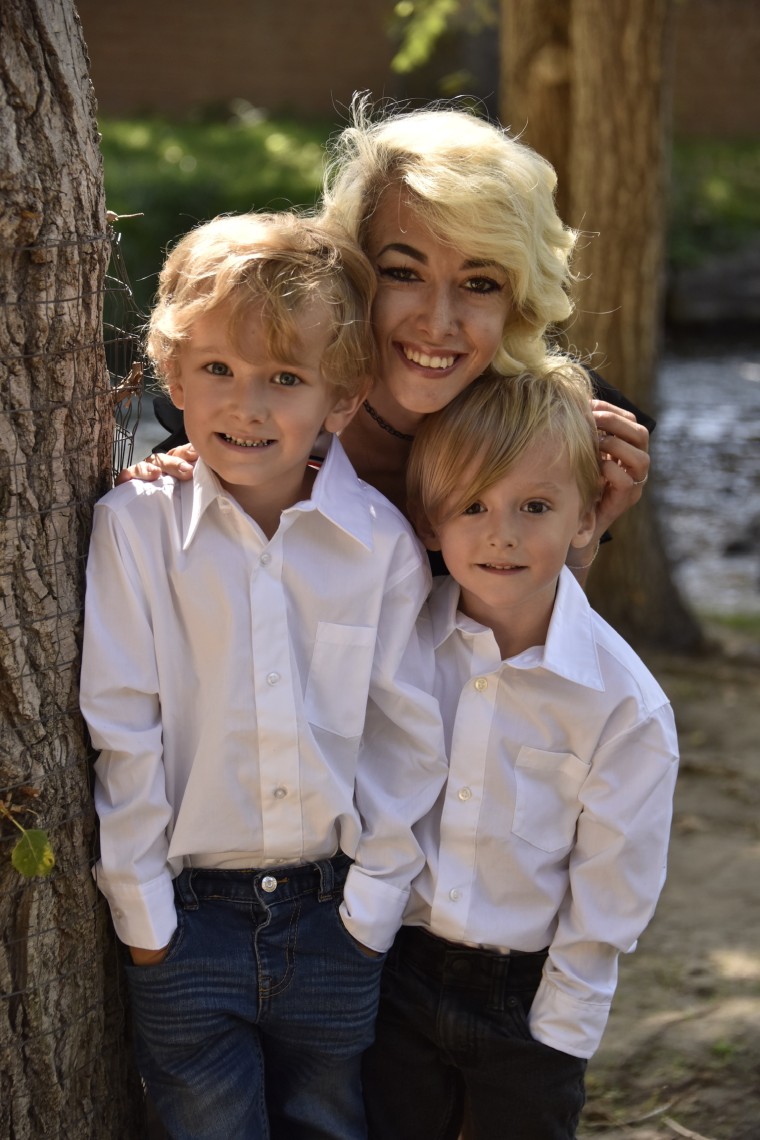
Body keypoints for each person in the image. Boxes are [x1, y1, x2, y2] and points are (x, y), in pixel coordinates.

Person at [80, 211, 447, 1140]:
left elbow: (405, 738)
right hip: (185, 922)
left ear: (342, 398)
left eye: (285, 379)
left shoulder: (379, 548)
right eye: (218, 371)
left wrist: (370, 910)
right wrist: (147, 927)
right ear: (172, 377)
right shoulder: (137, 532)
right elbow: (125, 730)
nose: (247, 405)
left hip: (333, 914)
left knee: (330, 1123)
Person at [123, 98, 652, 587]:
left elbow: (534, 672)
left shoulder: (544, 433)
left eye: (480, 283)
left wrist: (578, 538)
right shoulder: (246, 408)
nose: (438, 322)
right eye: (403, 273)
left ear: (519, 303)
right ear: (351, 273)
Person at [361, 368, 679, 1140]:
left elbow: (611, 887)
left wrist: (559, 1034)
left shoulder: (622, 705)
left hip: (527, 999)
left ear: (586, 519)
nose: (501, 532)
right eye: (472, 505)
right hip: (394, 971)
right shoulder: (395, 647)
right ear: (429, 522)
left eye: (534, 506)